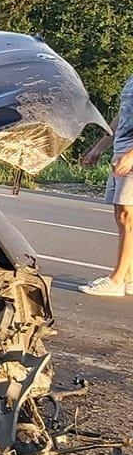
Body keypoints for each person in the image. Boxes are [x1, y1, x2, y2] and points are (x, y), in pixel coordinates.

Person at [76, 72, 133, 296]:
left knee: (128, 215)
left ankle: (116, 280)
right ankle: (128, 276)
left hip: (129, 154)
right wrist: (99, 147)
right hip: (121, 151)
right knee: (122, 216)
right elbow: (123, 117)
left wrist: (131, 155)